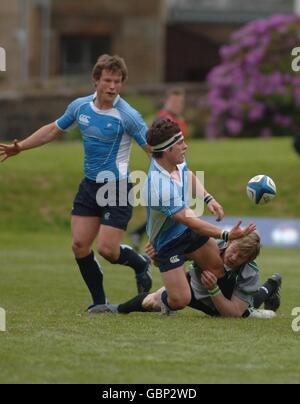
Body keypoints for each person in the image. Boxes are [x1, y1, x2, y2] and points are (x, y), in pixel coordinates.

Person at [0, 54, 152, 313]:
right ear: (95, 80)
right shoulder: (80, 107)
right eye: (107, 80)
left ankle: (139, 263)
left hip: (116, 188)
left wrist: (169, 178)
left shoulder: (129, 116)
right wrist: (20, 147)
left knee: (107, 250)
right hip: (90, 186)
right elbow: (53, 130)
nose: (112, 86)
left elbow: (152, 150)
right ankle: (100, 302)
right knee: (79, 245)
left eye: (117, 81)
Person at [136, 118, 256, 313]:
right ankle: (154, 299)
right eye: (180, 143)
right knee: (180, 300)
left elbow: (188, 175)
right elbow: (190, 221)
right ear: (167, 150)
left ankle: (231, 306)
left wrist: (209, 199)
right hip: (168, 241)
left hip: (187, 230)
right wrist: (226, 235)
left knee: (217, 269)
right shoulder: (158, 185)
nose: (186, 146)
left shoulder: (175, 160)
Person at [100, 232, 282, 319]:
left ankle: (271, 284)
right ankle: (117, 309)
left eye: (241, 257)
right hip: (192, 287)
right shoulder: (209, 246)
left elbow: (232, 313)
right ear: (231, 241)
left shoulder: (250, 273)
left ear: (248, 259)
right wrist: (157, 257)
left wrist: (214, 289)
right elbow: (171, 261)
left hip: (222, 302)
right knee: (151, 302)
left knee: (246, 308)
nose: (234, 257)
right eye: (234, 250)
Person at [130, 88, 187, 251]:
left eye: (180, 102)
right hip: (165, 173)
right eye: (174, 102)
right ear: (167, 102)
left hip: (178, 169)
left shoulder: (180, 121)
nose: (177, 105)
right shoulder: (162, 120)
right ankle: (152, 241)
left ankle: (142, 235)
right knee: (169, 209)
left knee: (172, 210)